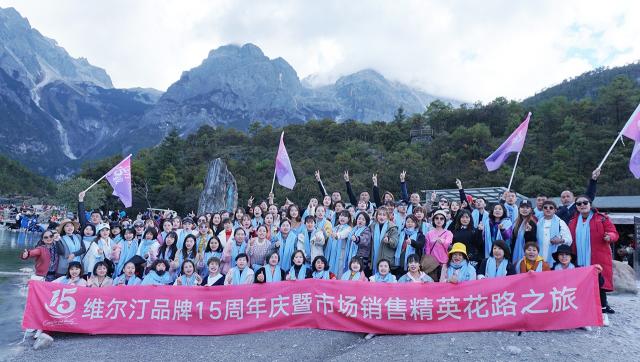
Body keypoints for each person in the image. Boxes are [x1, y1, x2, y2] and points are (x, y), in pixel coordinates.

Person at [568, 195, 619, 315]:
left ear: (590, 204)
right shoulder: (572, 221)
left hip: (598, 256)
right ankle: (584, 306)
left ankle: (603, 306)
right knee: (581, 282)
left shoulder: (602, 218)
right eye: (579, 204)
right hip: (578, 256)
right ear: (576, 207)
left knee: (599, 281)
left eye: (585, 203)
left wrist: (609, 237)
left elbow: (614, 233)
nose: (582, 205)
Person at [369, 206, 399, 275]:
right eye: (379, 214)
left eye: (384, 215)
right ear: (376, 216)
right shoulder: (372, 226)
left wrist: (389, 240)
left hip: (386, 258)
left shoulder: (392, 227)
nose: (381, 217)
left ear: (388, 217)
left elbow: (395, 243)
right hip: (374, 257)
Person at [325, 210, 354, 275]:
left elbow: (343, 234)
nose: (342, 217)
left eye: (345, 216)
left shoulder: (349, 228)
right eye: (341, 215)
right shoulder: (335, 228)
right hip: (332, 252)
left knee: (339, 271)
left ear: (349, 219)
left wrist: (337, 235)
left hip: (341, 253)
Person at [510, 200, 538, 264]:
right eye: (522, 207)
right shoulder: (516, 222)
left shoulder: (532, 223)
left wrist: (528, 232)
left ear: (531, 210)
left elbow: (532, 241)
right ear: (519, 209)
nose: (524, 209)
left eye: (527, 208)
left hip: (526, 253)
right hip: (515, 252)